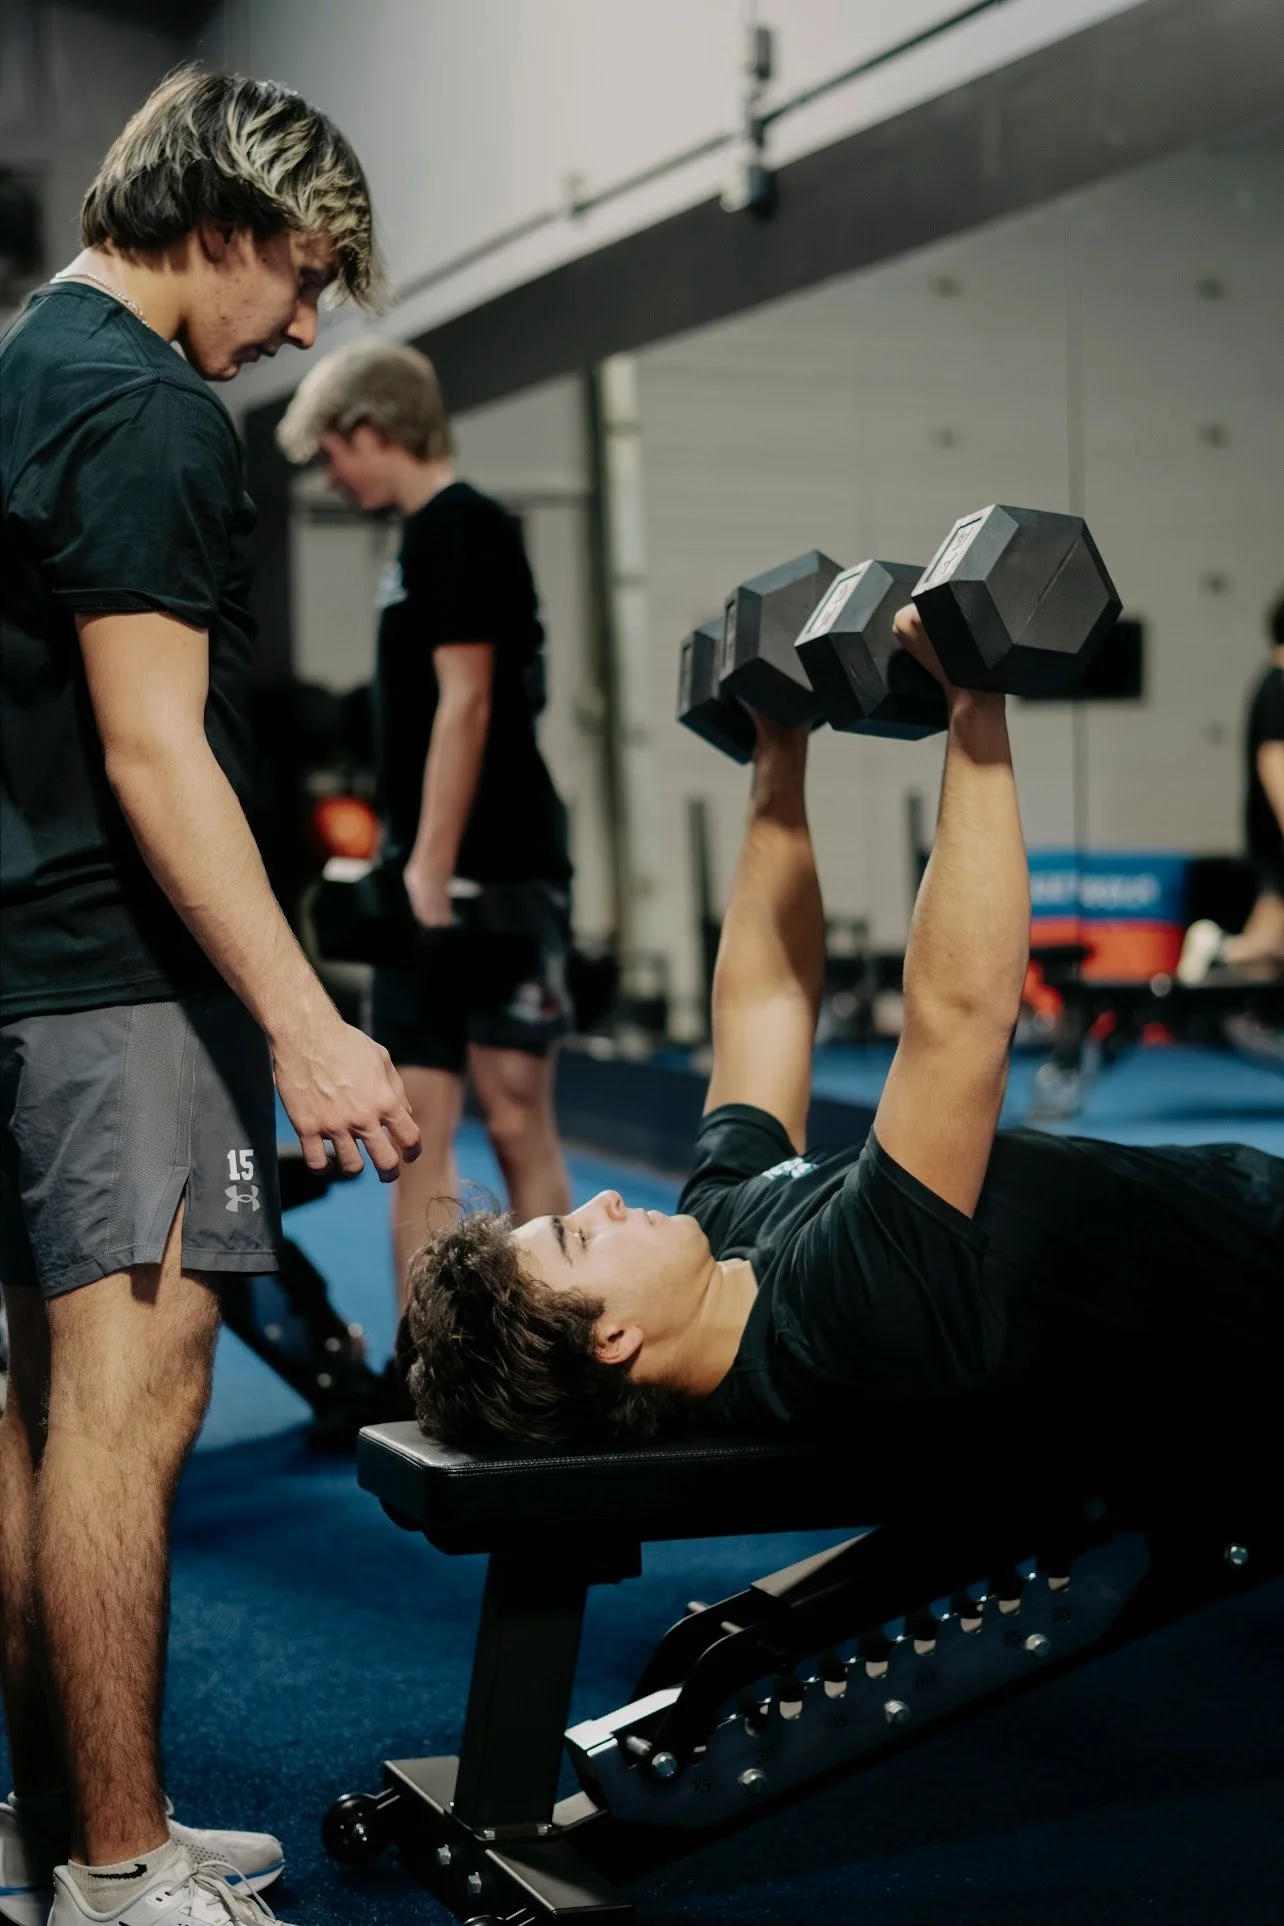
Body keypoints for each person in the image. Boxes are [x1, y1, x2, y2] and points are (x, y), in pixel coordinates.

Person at [0, 69, 420, 1926]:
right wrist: (310, 1021)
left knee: (34, 1413)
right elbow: (157, 753)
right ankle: (116, 1865)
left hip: (21, 970)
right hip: (117, 979)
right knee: (126, 1408)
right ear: (223, 220)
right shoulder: (154, 408)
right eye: (306, 272)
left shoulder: (22, 361)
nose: (309, 325)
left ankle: (70, 1823)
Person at [400, 607, 1283, 1462]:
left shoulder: (724, 1237)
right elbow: (962, 1021)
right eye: (581, 1239)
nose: (603, 1203)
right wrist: (974, 700)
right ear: (615, 1341)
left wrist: (778, 750)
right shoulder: (841, 1319)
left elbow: (766, 1007)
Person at [277, 342, 574, 1311]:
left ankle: (562, 1340)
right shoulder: (412, 545)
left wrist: (430, 874)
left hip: (496, 873)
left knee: (519, 1119)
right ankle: (428, 1363)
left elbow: (469, 702)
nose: (333, 475)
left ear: (373, 429)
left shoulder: (464, 526)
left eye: (333, 453)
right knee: (414, 1131)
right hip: (424, 874)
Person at [1178, 590, 1284, 982]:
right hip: (1275, 836)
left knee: (1270, 937)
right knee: (1269, 937)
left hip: (1269, 835)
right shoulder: (1277, 687)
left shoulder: (1270, 682)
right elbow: (1273, 760)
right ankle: (1219, 951)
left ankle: (1222, 956)